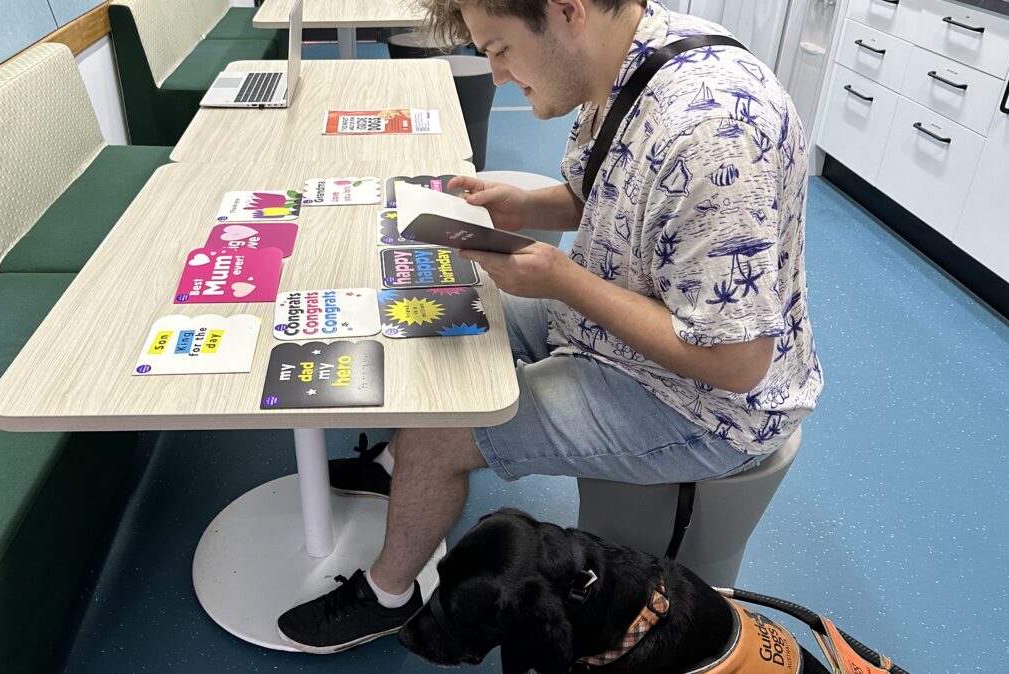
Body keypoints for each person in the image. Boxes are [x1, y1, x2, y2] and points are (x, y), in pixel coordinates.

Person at [277, 0, 823, 654]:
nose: (498, 76)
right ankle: (398, 469)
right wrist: (526, 205)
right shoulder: (628, 61)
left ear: (567, 11)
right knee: (437, 315)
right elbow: (613, 191)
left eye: (501, 49)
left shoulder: (710, 130)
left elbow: (736, 362)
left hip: (701, 403)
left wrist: (562, 279)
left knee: (439, 427)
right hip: (621, 314)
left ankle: (390, 592)